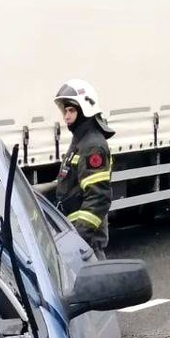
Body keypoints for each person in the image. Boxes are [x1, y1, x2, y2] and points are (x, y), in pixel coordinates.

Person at [52, 79, 115, 258]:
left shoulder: (93, 145)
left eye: (71, 111)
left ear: (85, 109)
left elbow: (99, 197)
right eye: (65, 111)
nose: (66, 117)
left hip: (88, 245)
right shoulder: (81, 140)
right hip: (77, 238)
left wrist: (79, 238)